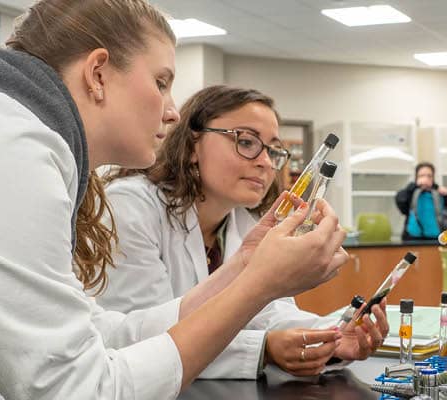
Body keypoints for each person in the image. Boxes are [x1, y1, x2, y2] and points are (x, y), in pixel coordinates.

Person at [0, 1, 345, 399]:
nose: (172, 112)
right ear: (98, 74)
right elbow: (81, 391)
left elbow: (99, 334)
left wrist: (243, 268)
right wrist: (259, 286)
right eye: (161, 81)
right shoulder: (0, 151)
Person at [98, 85, 389, 378]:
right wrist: (263, 349)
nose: (264, 161)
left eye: (273, 150)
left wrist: (334, 334)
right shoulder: (131, 207)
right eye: (247, 142)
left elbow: (271, 314)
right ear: (192, 145)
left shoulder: (244, 221)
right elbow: (144, 339)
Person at [395, 162, 447, 240]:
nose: (425, 179)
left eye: (429, 176)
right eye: (422, 176)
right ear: (416, 177)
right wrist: (414, 186)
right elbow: (400, 202)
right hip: (412, 239)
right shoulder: (411, 192)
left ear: (433, 177)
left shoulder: (440, 193)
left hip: (435, 240)